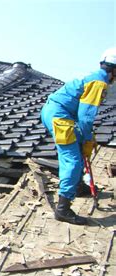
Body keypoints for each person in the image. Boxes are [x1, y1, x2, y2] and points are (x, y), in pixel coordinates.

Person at [41, 47, 116, 225]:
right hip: (59, 117)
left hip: (57, 113)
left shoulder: (95, 77)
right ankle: (63, 209)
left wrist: (85, 138)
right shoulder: (99, 82)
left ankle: (78, 186)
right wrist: (87, 138)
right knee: (72, 160)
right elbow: (86, 117)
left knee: (78, 151)